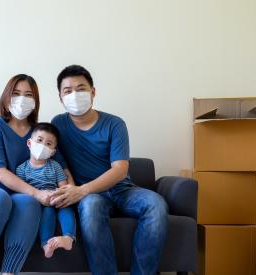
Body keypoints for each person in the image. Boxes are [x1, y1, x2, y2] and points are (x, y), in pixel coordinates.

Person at [50, 65, 169, 275]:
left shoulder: (114, 123)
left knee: (156, 204)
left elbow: (120, 170)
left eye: (81, 88)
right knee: (91, 208)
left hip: (121, 189)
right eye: (68, 91)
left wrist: (82, 189)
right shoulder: (58, 124)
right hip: (91, 197)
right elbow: (60, 164)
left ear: (93, 92)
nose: (75, 95)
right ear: (60, 97)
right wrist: (72, 189)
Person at [0, 74, 72, 275]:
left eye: (28, 95)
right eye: (16, 93)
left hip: (18, 197)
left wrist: (68, 191)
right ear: (6, 97)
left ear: (35, 101)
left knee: (28, 203)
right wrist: (37, 193)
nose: (22, 99)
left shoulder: (39, 133)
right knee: (0, 198)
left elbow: (62, 165)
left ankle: (10, 272)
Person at [15, 122, 76, 258]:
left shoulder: (55, 166)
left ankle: (68, 238)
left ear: (53, 151)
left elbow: (64, 186)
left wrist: (57, 197)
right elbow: (22, 191)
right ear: (30, 143)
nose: (43, 146)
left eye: (48, 144)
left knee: (66, 209)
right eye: (40, 140)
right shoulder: (21, 169)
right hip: (37, 203)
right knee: (47, 212)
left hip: (56, 199)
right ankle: (46, 245)